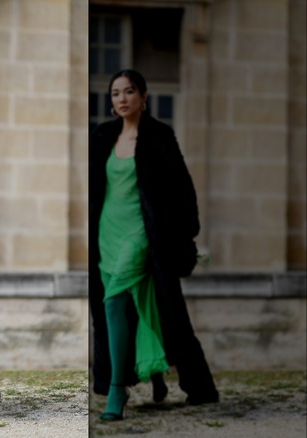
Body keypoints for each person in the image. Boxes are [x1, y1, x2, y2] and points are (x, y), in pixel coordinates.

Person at [89, 69, 219, 421]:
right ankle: (155, 372)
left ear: (143, 96)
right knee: (141, 307)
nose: (122, 98)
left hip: (142, 233)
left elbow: (182, 188)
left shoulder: (160, 136)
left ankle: (118, 390)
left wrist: (185, 236)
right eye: (116, 93)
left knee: (115, 301)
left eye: (129, 91)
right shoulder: (101, 136)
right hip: (107, 232)